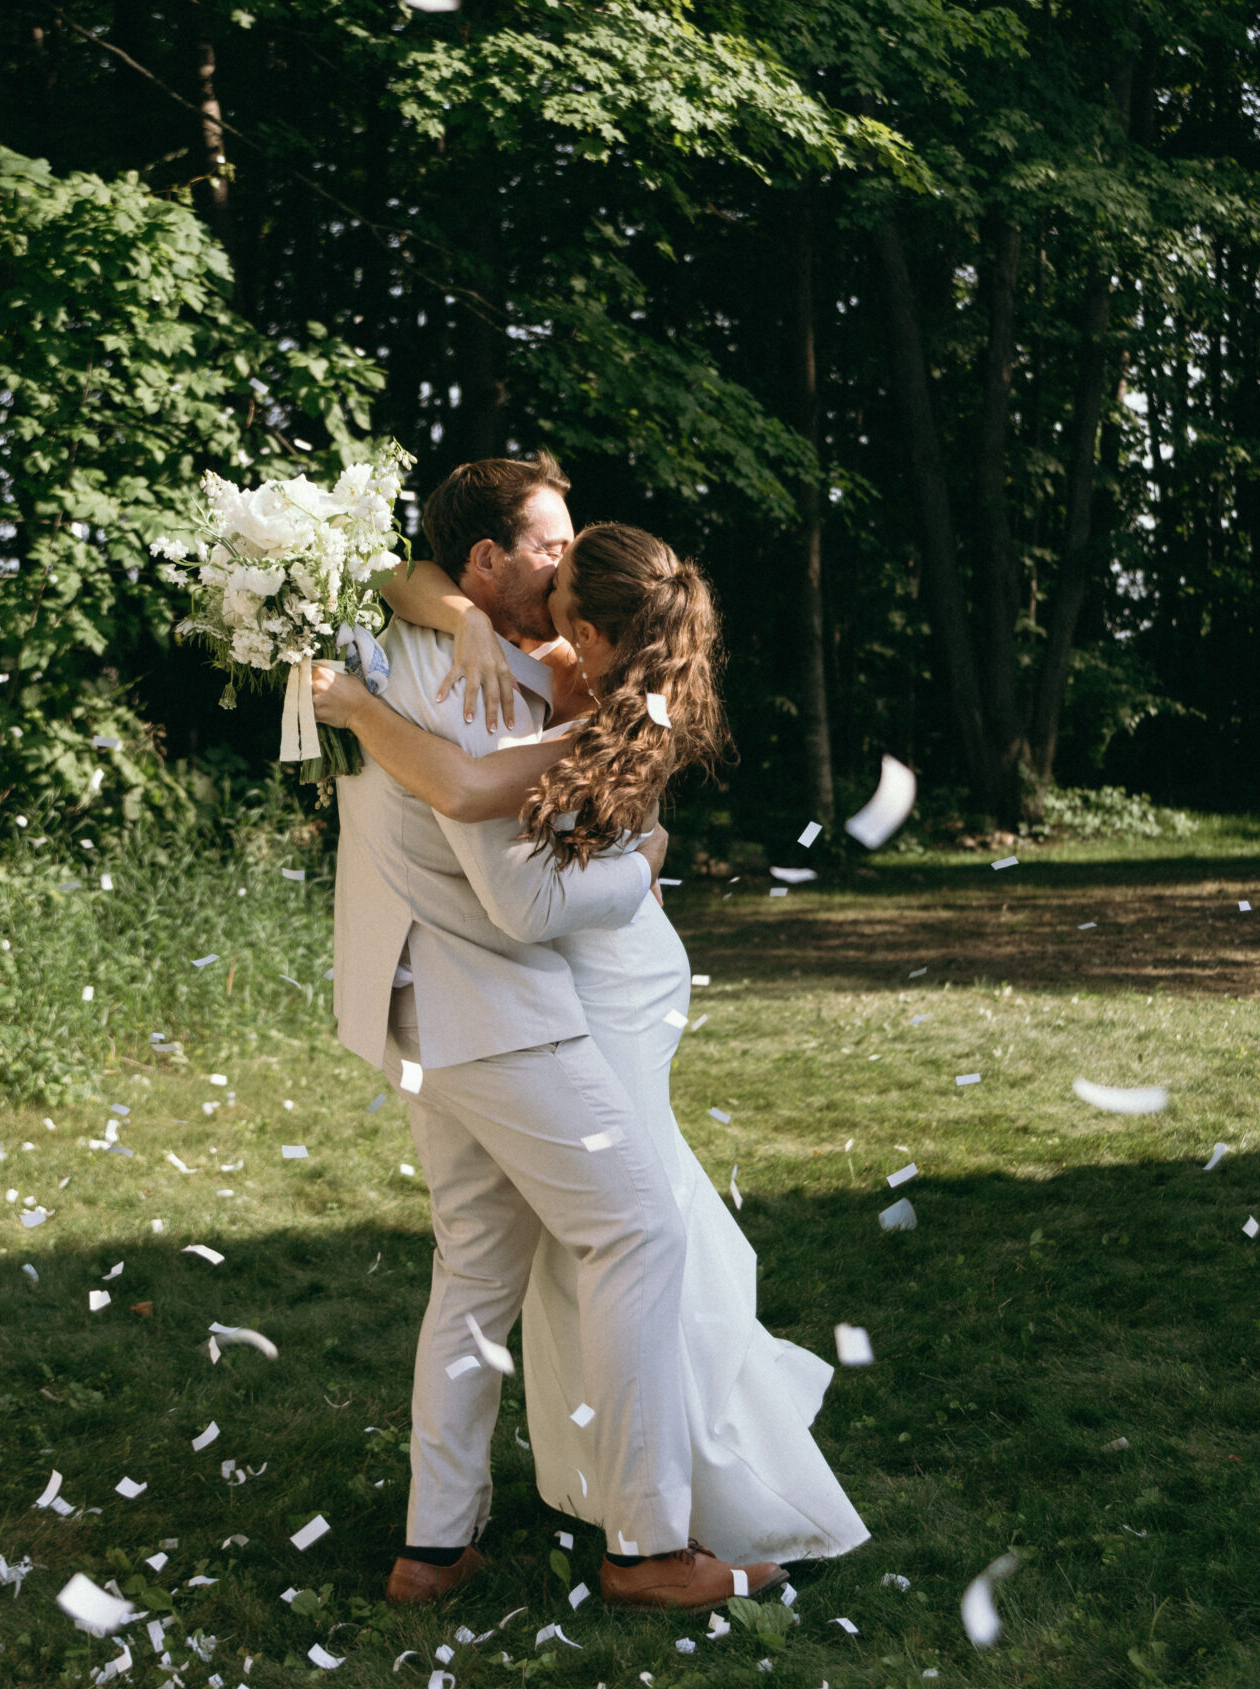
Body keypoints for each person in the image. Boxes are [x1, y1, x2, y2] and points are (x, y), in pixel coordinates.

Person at [317, 512, 870, 1567]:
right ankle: (647, 1549)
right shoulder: (502, 675)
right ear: (485, 558)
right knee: (638, 1240)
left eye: (568, 602)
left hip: (500, 1008)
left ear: (606, 636)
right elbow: (410, 585)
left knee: (486, 1273)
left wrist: (639, 859)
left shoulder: (568, 701)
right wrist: (642, 866)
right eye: (542, 556)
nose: (553, 626)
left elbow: (492, 800)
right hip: (504, 1017)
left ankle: (434, 1553)